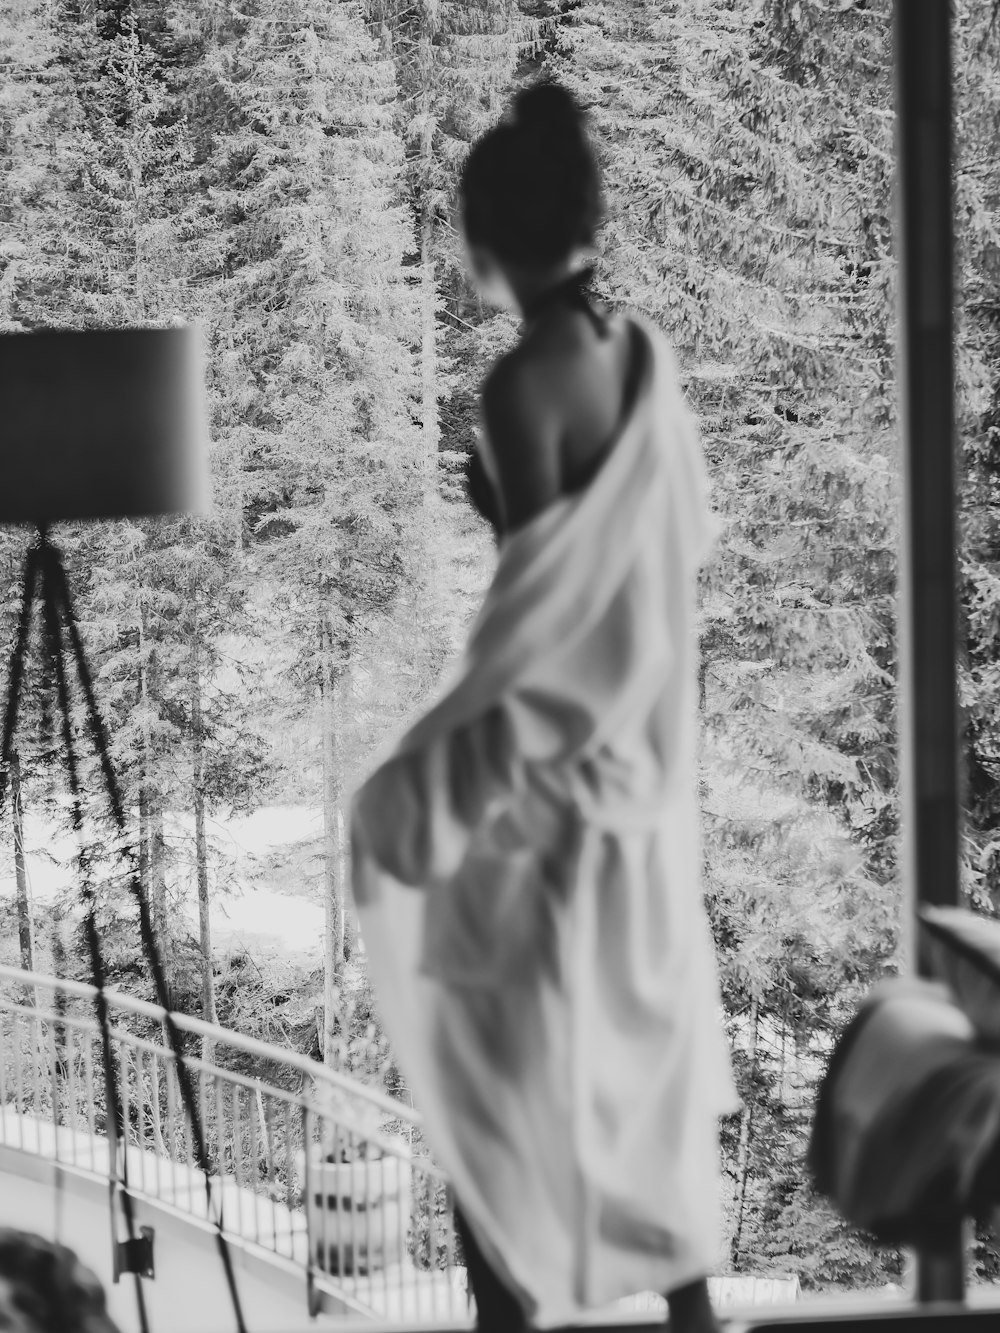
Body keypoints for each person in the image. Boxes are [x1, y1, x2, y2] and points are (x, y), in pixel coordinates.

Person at [349, 81, 739, 1333]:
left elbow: (530, 627)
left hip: (561, 792)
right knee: (644, 1073)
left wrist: (419, 778)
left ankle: (507, 1313)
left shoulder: (522, 388)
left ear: (482, 240)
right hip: (646, 782)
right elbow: (627, 569)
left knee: (493, 1067)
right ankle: (685, 1311)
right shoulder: (642, 354)